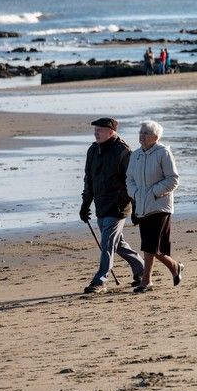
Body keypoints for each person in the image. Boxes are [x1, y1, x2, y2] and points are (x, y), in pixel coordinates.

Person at [79, 117, 143, 293]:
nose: (96, 133)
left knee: (107, 242)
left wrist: (136, 207)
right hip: (101, 205)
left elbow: (132, 181)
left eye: (100, 130)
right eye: (95, 130)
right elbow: (89, 179)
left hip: (118, 206)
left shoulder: (123, 151)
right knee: (118, 244)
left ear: (111, 132)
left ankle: (100, 280)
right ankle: (142, 269)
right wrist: (85, 204)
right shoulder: (93, 150)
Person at [125, 119, 183, 292]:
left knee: (151, 245)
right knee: (149, 245)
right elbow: (129, 179)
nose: (141, 136)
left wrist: (153, 192)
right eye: (140, 133)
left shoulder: (163, 152)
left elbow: (173, 179)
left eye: (146, 133)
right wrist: (135, 193)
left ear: (155, 137)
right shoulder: (135, 155)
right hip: (142, 206)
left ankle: (147, 280)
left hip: (160, 206)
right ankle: (173, 267)